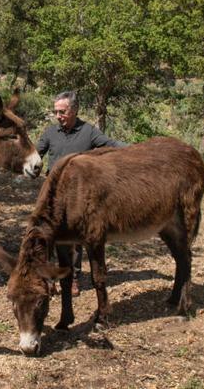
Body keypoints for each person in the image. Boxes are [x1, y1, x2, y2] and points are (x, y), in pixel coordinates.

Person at [36, 90, 127, 295]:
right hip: (52, 197)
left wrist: (137, 149)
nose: (58, 116)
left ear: (74, 110)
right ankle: (49, 277)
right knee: (49, 237)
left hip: (78, 198)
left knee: (75, 241)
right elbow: (36, 152)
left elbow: (111, 145)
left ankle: (73, 278)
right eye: (56, 112)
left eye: (63, 112)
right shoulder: (50, 132)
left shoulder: (89, 132)